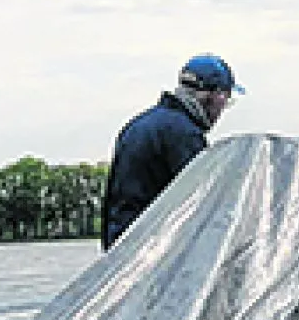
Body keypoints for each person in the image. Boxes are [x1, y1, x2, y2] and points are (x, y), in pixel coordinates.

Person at [100, 54, 242, 249]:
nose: (222, 110)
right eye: (225, 100)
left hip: (121, 248)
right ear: (215, 95)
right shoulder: (184, 135)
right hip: (150, 252)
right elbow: (204, 203)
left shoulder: (139, 125)